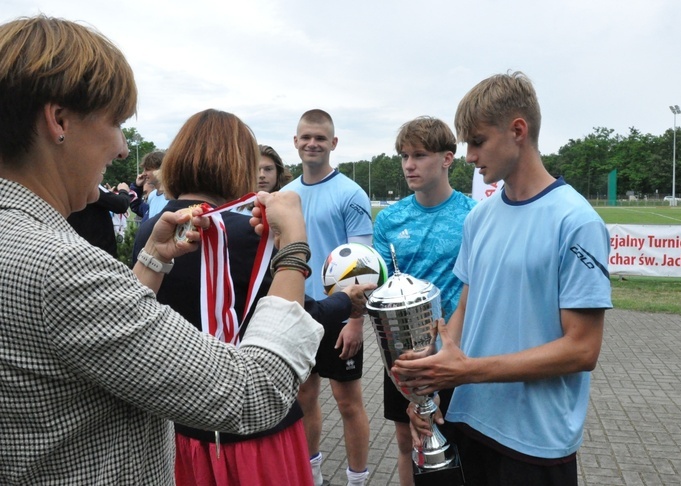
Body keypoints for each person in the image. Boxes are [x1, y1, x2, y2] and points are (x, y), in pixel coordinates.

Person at [0, 15, 324, 484]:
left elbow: (92, 346)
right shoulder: (59, 264)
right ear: (59, 121)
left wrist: (151, 259)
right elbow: (253, 393)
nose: (121, 147)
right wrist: (293, 246)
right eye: (114, 123)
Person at [393, 72, 612, 485]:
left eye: (477, 141)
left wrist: (467, 370)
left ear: (517, 131)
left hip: (536, 442)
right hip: (470, 419)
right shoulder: (480, 217)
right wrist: (432, 382)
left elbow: (582, 349)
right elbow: (465, 307)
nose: (471, 156)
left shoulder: (576, 220)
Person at [133, 109, 373, 486]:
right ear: (237, 162)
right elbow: (291, 319)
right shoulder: (249, 232)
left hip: (181, 426)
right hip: (256, 426)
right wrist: (346, 301)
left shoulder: (154, 229)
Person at [372, 116, 476, 486]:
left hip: (456, 345)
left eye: (419, 155)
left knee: (458, 441)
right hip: (403, 352)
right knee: (407, 441)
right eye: (404, 156)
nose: (409, 165)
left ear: (448, 158)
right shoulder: (390, 219)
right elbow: (380, 286)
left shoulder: (473, 215)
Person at [281, 109, 373, 486]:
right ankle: (312, 473)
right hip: (300, 312)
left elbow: (365, 269)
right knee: (304, 396)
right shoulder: (286, 196)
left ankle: (357, 478)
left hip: (339, 315)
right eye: (306, 137)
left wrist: (355, 320)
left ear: (333, 143)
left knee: (348, 402)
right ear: (296, 142)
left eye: (320, 138)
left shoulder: (350, 193)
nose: (312, 144)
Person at [68, 183, 131, 258]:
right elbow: (120, 205)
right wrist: (123, 190)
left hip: (76, 247)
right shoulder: (89, 185)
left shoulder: (66, 185)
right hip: (99, 252)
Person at [128, 150, 165, 220]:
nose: (143, 173)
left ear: (161, 170)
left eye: (147, 169)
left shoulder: (173, 197)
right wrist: (137, 187)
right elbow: (137, 207)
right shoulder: (152, 195)